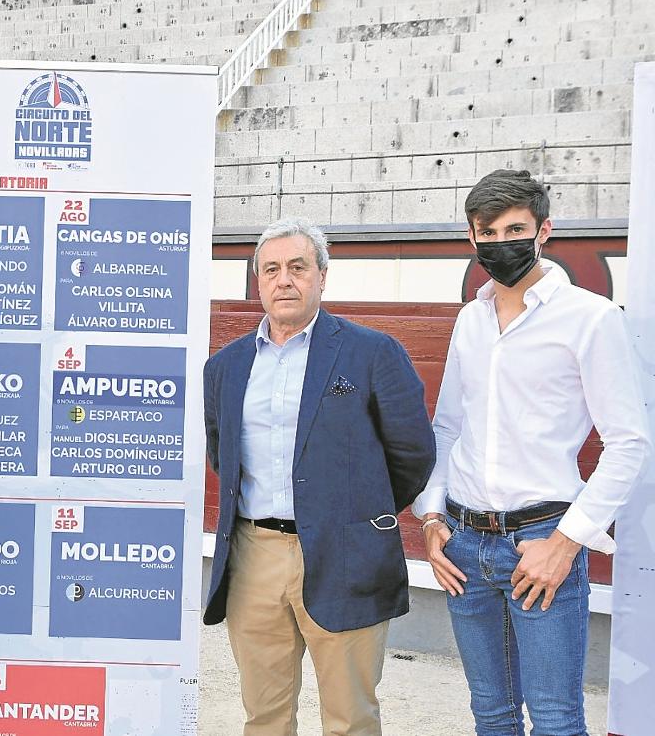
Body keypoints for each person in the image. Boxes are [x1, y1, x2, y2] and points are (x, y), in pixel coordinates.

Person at [413, 169, 651, 736]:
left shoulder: (590, 318)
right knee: (490, 715)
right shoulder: (471, 320)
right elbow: (447, 427)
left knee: (555, 718)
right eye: (485, 233)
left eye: (514, 229)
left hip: (541, 543)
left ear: (544, 230)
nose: (500, 243)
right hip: (464, 545)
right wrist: (429, 517)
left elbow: (629, 442)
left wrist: (566, 544)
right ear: (471, 239)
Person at [202, 218, 435, 736]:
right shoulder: (225, 367)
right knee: (263, 716)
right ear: (258, 282)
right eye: (271, 270)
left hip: (345, 553)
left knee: (350, 718)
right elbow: (225, 455)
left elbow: (412, 454)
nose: (284, 280)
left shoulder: (372, 353)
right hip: (254, 554)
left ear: (322, 277)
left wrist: (356, 514)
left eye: (297, 267)